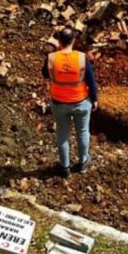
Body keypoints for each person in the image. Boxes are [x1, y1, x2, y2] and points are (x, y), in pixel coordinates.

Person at [42, 28, 98, 178]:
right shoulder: (81, 58)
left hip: (59, 103)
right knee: (83, 132)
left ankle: (65, 167)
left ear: (59, 41)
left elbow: (45, 74)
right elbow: (91, 82)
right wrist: (94, 99)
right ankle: (83, 163)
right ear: (73, 40)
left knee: (62, 134)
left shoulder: (51, 58)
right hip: (81, 102)